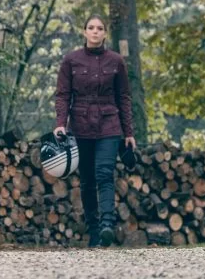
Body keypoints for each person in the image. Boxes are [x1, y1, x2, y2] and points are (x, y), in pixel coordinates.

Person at [54, 14, 136, 248]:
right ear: (84, 32)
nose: (95, 31)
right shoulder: (71, 61)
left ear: (105, 33)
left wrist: (128, 132)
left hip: (110, 125)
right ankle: (94, 232)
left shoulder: (116, 61)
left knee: (104, 173)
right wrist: (61, 123)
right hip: (80, 126)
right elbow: (63, 95)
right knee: (88, 180)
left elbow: (124, 97)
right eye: (91, 27)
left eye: (100, 28)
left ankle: (107, 225)